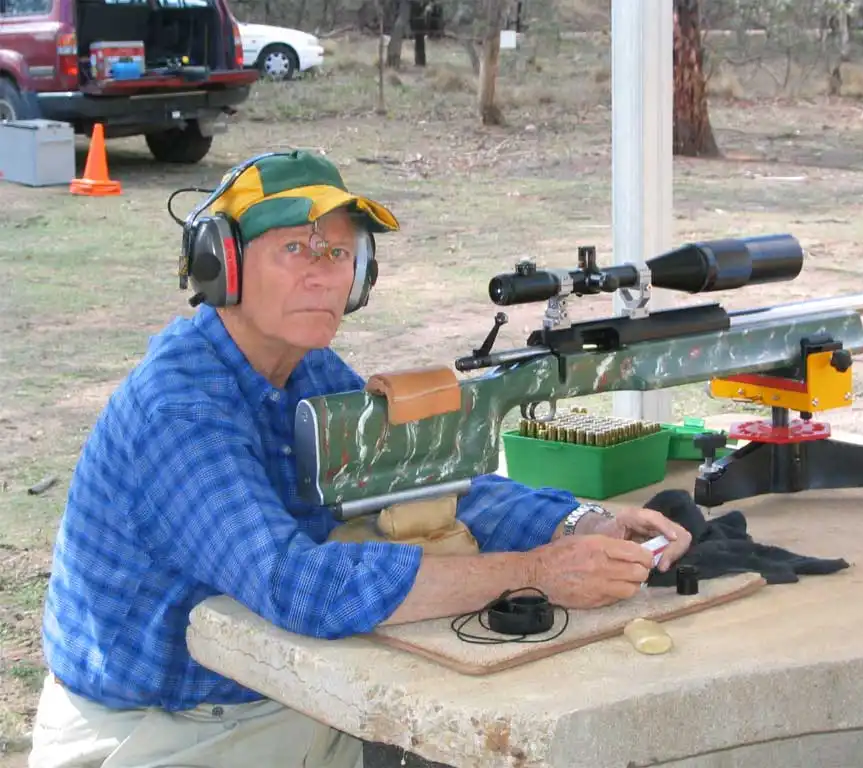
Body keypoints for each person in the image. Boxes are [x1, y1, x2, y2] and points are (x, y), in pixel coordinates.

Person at [29, 150, 693, 768]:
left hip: (280, 691)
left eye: (340, 252)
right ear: (221, 264)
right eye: (294, 248)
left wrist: (577, 524)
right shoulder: (178, 409)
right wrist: (537, 573)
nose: (323, 272)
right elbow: (296, 585)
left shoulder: (310, 370)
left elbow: (426, 484)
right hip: (162, 730)